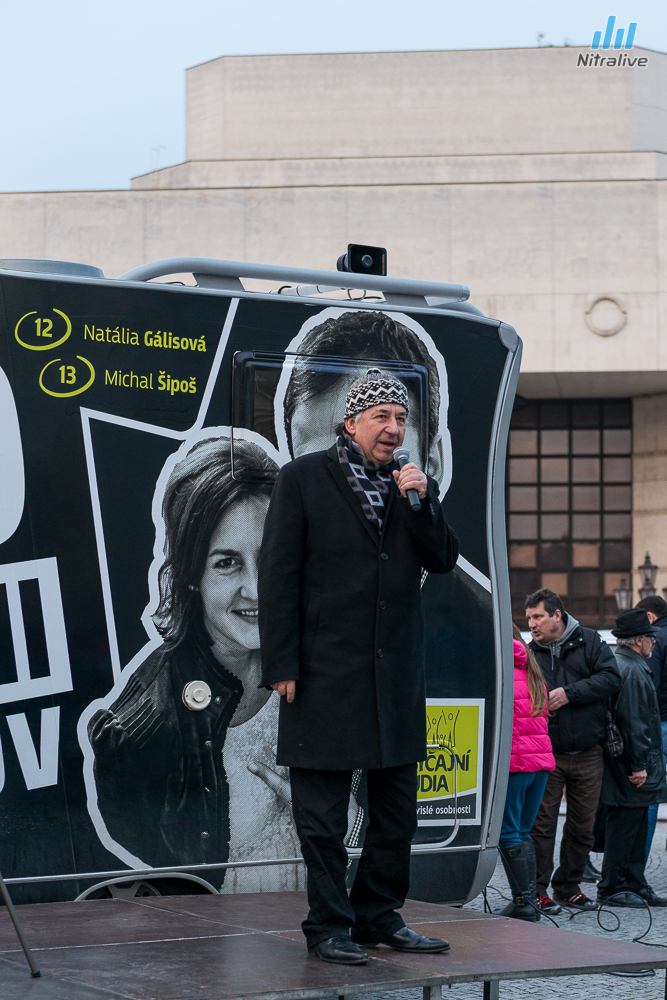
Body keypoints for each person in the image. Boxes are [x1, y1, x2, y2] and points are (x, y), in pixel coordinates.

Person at [258, 366, 459, 965]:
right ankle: (328, 926)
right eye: (382, 417)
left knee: (396, 815)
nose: (394, 428)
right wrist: (282, 662)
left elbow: (443, 559)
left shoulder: (411, 486)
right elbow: (278, 577)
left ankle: (379, 915)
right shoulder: (302, 479)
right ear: (351, 423)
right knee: (321, 820)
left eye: (401, 418)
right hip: (322, 675)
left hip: (393, 680)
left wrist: (423, 503)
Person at [87, 436, 303, 889]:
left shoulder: (321, 660)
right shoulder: (140, 730)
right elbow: (165, 882)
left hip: (323, 919)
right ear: (190, 574)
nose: (257, 589)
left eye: (271, 558)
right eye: (227, 563)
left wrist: (350, 825)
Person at [525, 588, 621, 913]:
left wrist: (570, 693)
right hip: (546, 753)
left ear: (557, 615)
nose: (532, 624)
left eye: (538, 617)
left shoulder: (590, 641)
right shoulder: (529, 652)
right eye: (529, 618)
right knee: (541, 826)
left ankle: (568, 886)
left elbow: (612, 678)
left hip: (588, 751)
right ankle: (537, 891)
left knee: (583, 826)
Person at [595, 608, 667, 907]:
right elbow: (633, 723)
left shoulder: (627, 664)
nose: (654, 642)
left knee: (634, 825)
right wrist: (638, 766)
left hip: (633, 763)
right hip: (633, 766)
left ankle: (635, 884)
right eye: (651, 637)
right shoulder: (633, 671)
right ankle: (613, 887)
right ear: (639, 640)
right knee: (625, 828)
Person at [497, 625, 554, 921]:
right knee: (522, 831)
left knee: (507, 832)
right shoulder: (533, 672)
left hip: (516, 764)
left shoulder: (501, 669)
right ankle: (529, 902)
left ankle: (524, 904)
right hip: (539, 765)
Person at [635, 595, 667, 858]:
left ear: (649, 616)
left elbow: (649, 685)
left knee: (650, 792)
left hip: (661, 724)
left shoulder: (656, 639)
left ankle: (638, 864)